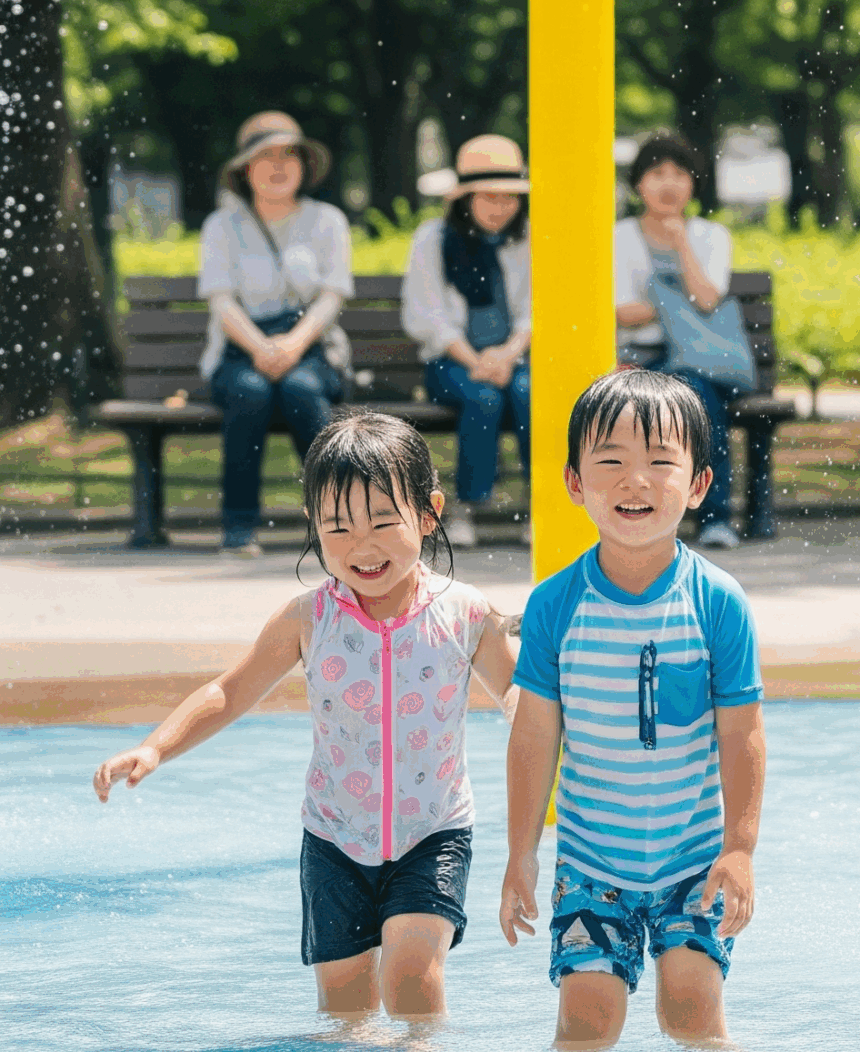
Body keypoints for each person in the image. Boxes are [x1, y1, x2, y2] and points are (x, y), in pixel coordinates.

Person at [92, 411, 516, 1020]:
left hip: (433, 832)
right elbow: (230, 692)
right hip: (334, 839)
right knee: (345, 1007)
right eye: (338, 527)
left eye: (382, 522)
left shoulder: (466, 613)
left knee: (411, 978)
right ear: (313, 525)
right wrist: (155, 747)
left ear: (428, 513)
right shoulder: (308, 618)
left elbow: (520, 696)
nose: (361, 547)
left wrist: (567, 733)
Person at [499, 370, 766, 1048]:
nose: (634, 480)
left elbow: (742, 735)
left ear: (699, 484)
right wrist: (521, 853)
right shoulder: (556, 605)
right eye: (610, 462)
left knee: (692, 1009)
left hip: (693, 860)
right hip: (592, 864)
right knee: (587, 1019)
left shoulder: (717, 602)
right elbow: (534, 735)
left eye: (659, 463)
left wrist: (739, 848)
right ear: (574, 482)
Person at [196, 112, 354, 555]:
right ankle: (239, 527)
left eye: (289, 155)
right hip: (241, 349)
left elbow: (331, 296)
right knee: (250, 393)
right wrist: (262, 348)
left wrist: (294, 344)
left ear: (305, 164)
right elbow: (222, 302)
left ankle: (337, 525)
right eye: (265, 156)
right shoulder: (221, 226)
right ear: (245, 169)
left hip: (312, 347)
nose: (279, 165)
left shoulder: (327, 220)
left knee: (303, 390)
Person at [402, 134, 533, 549]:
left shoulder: (530, 239)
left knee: (531, 392)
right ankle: (468, 506)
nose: (501, 206)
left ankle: (540, 502)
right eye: (488, 196)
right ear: (465, 198)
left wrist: (507, 354)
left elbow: (539, 307)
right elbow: (427, 315)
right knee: (483, 397)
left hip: (515, 356)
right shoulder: (433, 239)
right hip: (452, 359)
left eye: (509, 197)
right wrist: (476, 360)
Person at [613, 133, 743, 549]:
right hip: (638, 355)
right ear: (638, 184)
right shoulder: (619, 237)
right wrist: (677, 302)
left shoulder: (710, 236)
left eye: (680, 173)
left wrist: (680, 243)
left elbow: (707, 297)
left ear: (693, 184)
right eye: (656, 173)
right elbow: (619, 311)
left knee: (697, 397)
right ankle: (633, 519)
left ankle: (715, 517)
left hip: (697, 360)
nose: (668, 183)